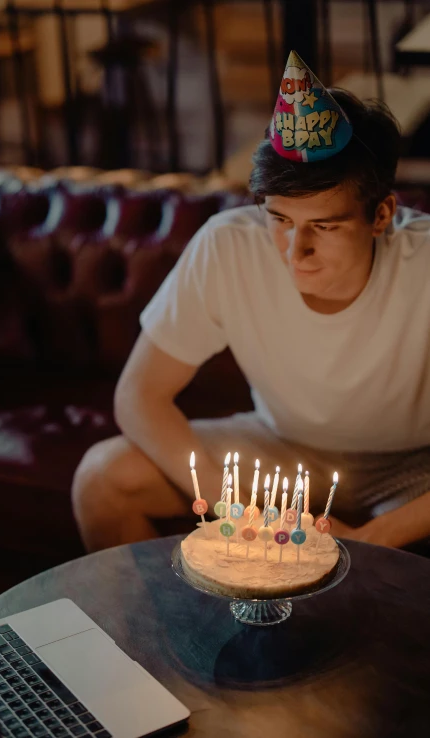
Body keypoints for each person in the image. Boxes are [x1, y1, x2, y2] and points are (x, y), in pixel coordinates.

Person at [72, 52, 430, 552]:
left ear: (381, 215)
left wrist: (372, 540)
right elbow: (139, 397)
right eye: (280, 219)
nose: (294, 250)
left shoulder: (424, 264)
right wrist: (245, 513)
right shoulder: (228, 246)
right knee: (103, 478)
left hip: (417, 465)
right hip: (282, 448)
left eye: (324, 227)